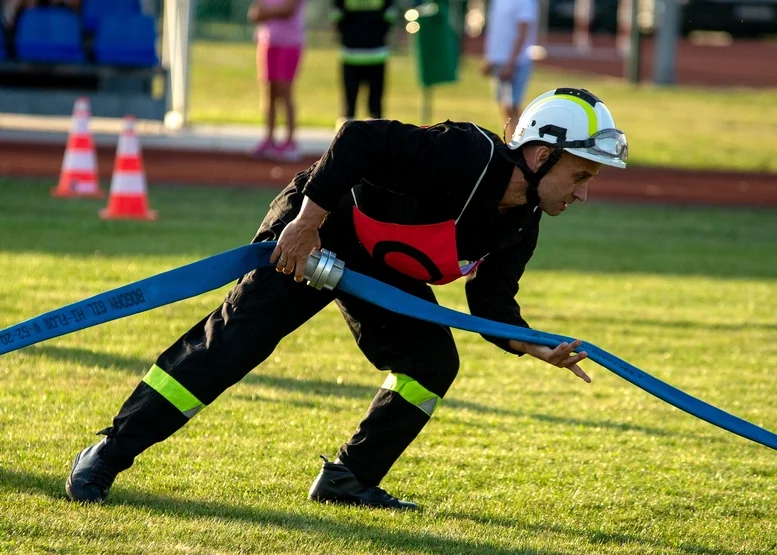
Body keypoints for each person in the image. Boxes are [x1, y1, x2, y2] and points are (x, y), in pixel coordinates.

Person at [65, 88, 628, 509]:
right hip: (321, 227)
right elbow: (357, 137)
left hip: (373, 265)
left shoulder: (521, 224)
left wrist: (533, 346)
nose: (582, 193)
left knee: (430, 363)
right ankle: (106, 456)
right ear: (540, 155)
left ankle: (348, 479)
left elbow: (493, 305)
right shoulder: (465, 155)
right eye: (580, 175)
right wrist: (307, 223)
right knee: (234, 344)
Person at [248, 0, 305, 162]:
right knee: (268, 92)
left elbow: (288, 11)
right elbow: (255, 14)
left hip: (290, 43)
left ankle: (290, 141)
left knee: (284, 91)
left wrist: (267, 12)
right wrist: (272, 12)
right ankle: (269, 139)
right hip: (267, 41)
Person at [330, 0, 396, 128]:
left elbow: (336, 16)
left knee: (349, 103)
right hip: (376, 53)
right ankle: (377, 136)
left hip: (351, 53)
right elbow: (390, 17)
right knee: (375, 104)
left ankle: (345, 136)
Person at [482, 0, 538, 142]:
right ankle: (509, 140)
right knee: (504, 106)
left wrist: (511, 63)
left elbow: (523, 31)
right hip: (499, 59)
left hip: (516, 61)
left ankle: (519, 141)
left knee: (513, 106)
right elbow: (496, 30)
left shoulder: (524, 3)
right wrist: (489, 58)